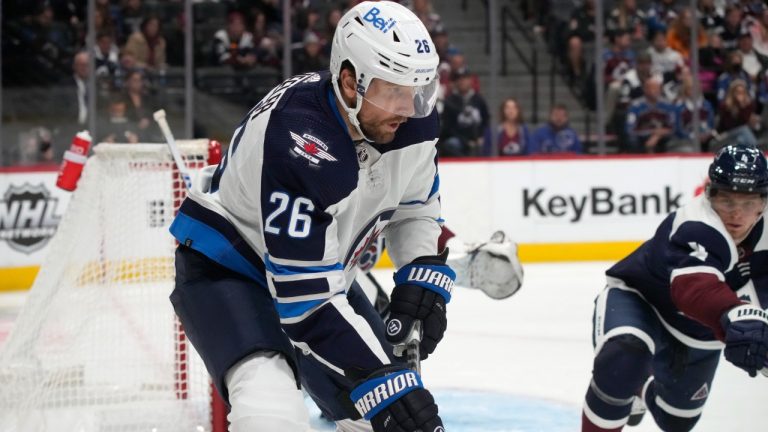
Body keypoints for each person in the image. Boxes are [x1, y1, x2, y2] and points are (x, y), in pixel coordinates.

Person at [168, 2, 450, 431]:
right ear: (350, 80)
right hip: (232, 274)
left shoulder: (409, 121)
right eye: (393, 90)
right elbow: (307, 304)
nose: (408, 107)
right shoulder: (298, 138)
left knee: (390, 424)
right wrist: (389, 381)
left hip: (323, 277)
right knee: (272, 417)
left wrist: (418, 272)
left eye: (417, 89)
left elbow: (415, 208)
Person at [581, 142, 768, 432]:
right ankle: (631, 379)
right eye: (727, 201)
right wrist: (735, 313)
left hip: (702, 332)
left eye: (748, 203)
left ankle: (640, 388)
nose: (736, 214)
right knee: (624, 358)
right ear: (710, 194)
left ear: (764, 203)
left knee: (675, 422)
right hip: (641, 301)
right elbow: (693, 289)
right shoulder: (697, 223)